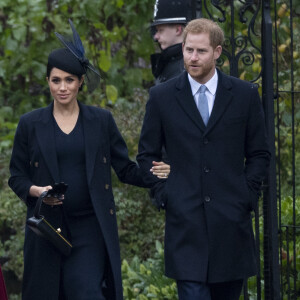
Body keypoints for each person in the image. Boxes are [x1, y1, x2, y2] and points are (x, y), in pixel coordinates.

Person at [8, 20, 170, 300]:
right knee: (48, 293)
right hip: (46, 227)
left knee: (86, 292)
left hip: (90, 226)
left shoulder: (100, 121)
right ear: (47, 80)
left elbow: (125, 168)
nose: (62, 87)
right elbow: (16, 176)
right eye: (56, 80)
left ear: (80, 81)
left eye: (69, 80)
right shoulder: (30, 124)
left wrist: (158, 173)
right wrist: (37, 192)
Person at [137, 18, 271, 300]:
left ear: (218, 52)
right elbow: (147, 155)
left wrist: (246, 195)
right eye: (188, 50)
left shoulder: (245, 95)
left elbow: (259, 153)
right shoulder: (161, 97)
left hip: (231, 227)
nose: (193, 58)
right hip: (185, 228)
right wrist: (165, 194)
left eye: (201, 51)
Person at [150, 0, 190, 85]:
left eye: (161, 30)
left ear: (178, 30)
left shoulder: (186, 68)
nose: (156, 36)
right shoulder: (170, 62)